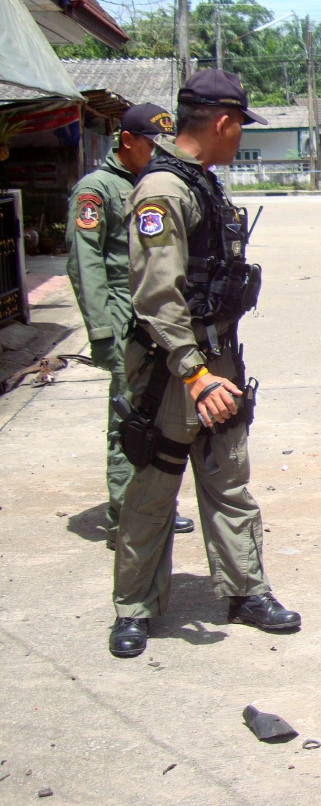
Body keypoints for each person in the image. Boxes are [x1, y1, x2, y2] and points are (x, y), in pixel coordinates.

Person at [109, 69, 301, 658]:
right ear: (222, 123)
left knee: (227, 475)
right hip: (173, 368)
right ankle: (135, 608)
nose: (241, 135)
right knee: (153, 485)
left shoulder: (203, 183)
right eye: (241, 124)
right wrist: (193, 374)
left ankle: (246, 591)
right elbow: (156, 297)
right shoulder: (163, 192)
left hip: (217, 355)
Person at [65, 103, 194, 550]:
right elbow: (86, 264)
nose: (159, 153)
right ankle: (125, 511)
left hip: (152, 320)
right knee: (129, 416)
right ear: (127, 141)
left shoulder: (150, 183)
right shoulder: (96, 189)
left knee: (160, 412)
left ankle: (153, 504)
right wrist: (101, 330)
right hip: (122, 319)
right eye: (151, 145)